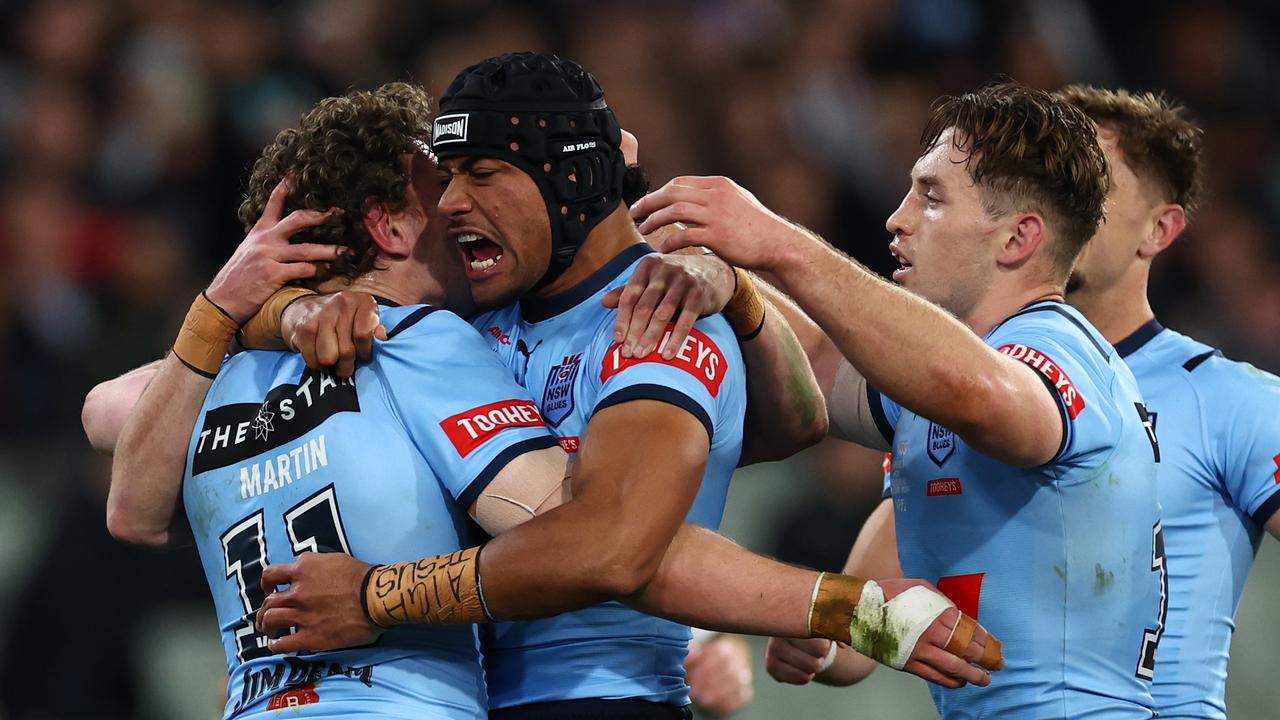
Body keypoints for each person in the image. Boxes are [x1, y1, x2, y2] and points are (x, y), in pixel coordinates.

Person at [90, 60, 1001, 720]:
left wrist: (744, 285)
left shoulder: (652, 310)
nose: (453, 205)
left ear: (565, 175)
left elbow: (628, 533)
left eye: (477, 176)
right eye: (442, 182)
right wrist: (279, 309)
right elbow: (612, 536)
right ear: (386, 225)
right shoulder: (431, 339)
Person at [630, 81, 1164, 718]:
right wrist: (716, 270)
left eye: (932, 197)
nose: (898, 217)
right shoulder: (931, 395)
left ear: (1018, 239)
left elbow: (982, 394)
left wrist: (780, 243)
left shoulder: (1060, 348)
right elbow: (821, 367)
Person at [765, 87, 1280, 720]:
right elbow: (885, 625)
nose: (1069, 194)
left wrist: (770, 246)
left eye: (1096, 182)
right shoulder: (946, 388)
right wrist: (832, 632)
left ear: (1160, 228)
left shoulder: (1233, 401)